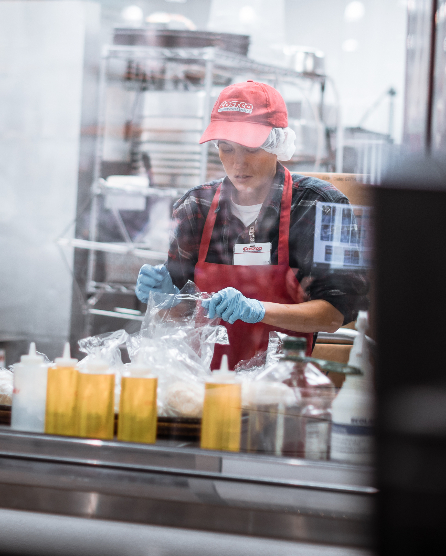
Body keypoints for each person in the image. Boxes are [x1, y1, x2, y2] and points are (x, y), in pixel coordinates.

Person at [135, 80, 368, 368]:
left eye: (251, 148)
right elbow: (177, 316)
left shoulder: (320, 206)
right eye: (227, 148)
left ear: (277, 144)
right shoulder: (195, 206)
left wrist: (258, 310)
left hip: (278, 387)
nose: (238, 163)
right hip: (201, 383)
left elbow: (337, 313)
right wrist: (164, 299)